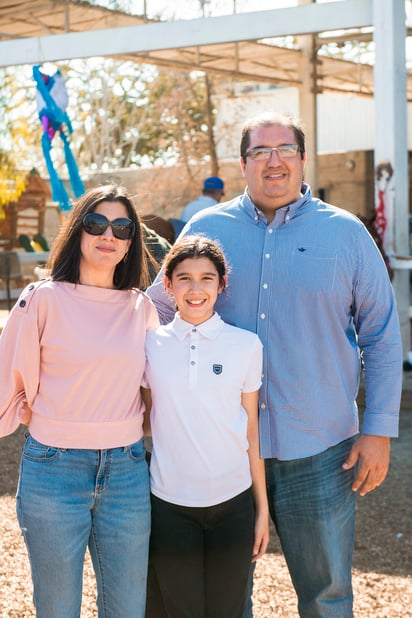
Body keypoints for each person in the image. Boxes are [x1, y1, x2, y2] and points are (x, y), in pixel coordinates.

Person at [147, 112, 403, 618]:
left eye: (284, 149)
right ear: (243, 164)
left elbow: (382, 334)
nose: (273, 160)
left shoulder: (346, 234)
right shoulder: (206, 228)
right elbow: (154, 310)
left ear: (303, 159)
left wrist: (378, 430)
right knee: (224, 600)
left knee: (327, 595)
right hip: (223, 453)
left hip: (320, 452)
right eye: (260, 151)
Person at [0, 184, 159, 618]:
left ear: (131, 242)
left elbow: (155, 392)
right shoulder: (42, 298)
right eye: (96, 223)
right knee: (57, 609)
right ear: (77, 231)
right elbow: (6, 382)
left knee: (127, 608)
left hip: (127, 472)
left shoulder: (142, 309)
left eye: (122, 227)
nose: (109, 234)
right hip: (55, 469)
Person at [142, 234, 269, 618]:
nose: (195, 289)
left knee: (227, 611)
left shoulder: (246, 346)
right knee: (178, 610)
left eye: (206, 278)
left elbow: (251, 433)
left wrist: (261, 509)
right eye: (184, 278)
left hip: (233, 504)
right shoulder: (149, 345)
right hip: (168, 504)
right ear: (168, 286)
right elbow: (146, 418)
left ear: (221, 285)